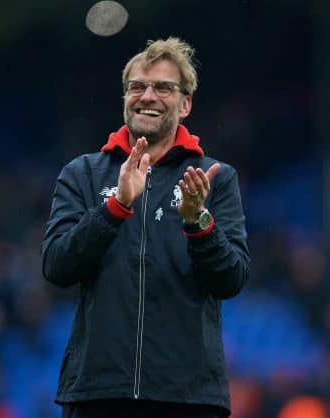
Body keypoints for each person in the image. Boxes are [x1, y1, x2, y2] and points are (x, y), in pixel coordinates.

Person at [41, 37, 250, 418]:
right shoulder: (83, 174)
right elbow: (56, 265)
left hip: (188, 398)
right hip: (98, 395)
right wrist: (115, 207)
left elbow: (231, 279)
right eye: (136, 86)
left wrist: (197, 221)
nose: (147, 95)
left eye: (163, 88)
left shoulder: (214, 178)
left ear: (185, 104)